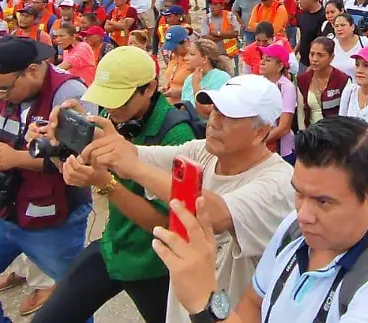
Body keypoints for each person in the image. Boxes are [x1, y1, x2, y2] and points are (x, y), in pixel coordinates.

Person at [149, 116, 368, 323]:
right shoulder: (293, 229)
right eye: (299, 194)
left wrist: (206, 300)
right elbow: (254, 304)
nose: (304, 215)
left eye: (323, 202)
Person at [81, 74, 296, 323]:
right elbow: (138, 155)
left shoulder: (279, 182)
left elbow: (216, 214)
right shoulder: (203, 152)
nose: (214, 121)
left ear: (261, 132)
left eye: (229, 116)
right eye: (215, 110)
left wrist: (134, 167)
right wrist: (91, 134)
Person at [31, 47, 199, 323]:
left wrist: (105, 184)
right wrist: (62, 143)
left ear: (149, 89)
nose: (110, 109)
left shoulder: (177, 134)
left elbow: (166, 223)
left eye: (119, 102)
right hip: (116, 245)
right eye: (105, 99)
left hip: (154, 264)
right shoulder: (116, 117)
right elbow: (86, 167)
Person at [0, 36, 92, 323]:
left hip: (55, 218)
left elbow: (80, 163)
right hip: (3, 208)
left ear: (32, 70)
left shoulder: (69, 93)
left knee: (73, 298)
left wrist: (15, 158)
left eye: (4, 88)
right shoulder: (5, 89)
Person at [294, 37, 352, 132]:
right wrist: (303, 135)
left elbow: (347, 115)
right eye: (312, 54)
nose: (314, 59)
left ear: (331, 57)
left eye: (320, 55)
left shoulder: (343, 80)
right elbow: (301, 113)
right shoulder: (302, 80)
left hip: (336, 134)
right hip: (311, 134)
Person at [258, 44, 297, 162]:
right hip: (261, 148)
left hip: (281, 151)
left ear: (280, 66)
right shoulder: (259, 84)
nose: (262, 62)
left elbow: (284, 127)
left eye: (268, 60)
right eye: (262, 59)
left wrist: (258, 143)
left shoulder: (287, 87)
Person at [328, 13, 368, 78]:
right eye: (336, 26)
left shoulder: (364, 42)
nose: (339, 29)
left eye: (343, 25)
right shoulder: (331, 44)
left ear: (352, 27)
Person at [180, 38, 234, 110]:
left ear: (205, 59)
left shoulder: (221, 78)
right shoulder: (189, 78)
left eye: (191, 54)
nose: (185, 58)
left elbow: (210, 111)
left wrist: (196, 86)